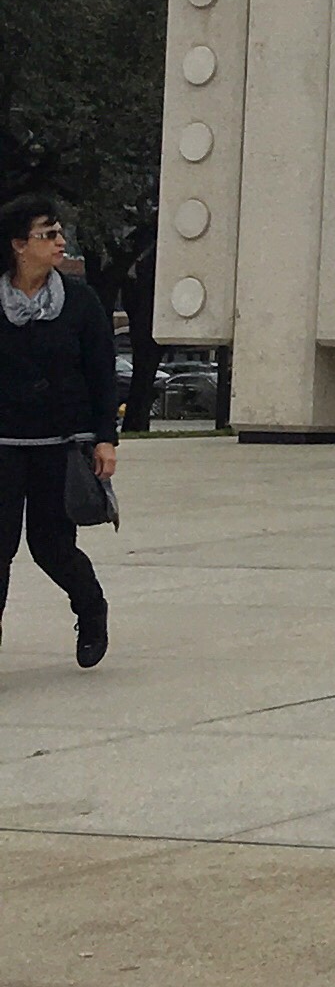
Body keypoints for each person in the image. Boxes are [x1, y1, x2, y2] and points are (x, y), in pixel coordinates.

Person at [0, 196, 117, 667]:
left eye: (59, 232)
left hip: (61, 445)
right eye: (47, 234)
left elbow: (102, 373)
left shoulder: (80, 301)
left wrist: (105, 438)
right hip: (4, 446)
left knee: (51, 547)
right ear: (19, 245)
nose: (59, 241)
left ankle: (91, 608)